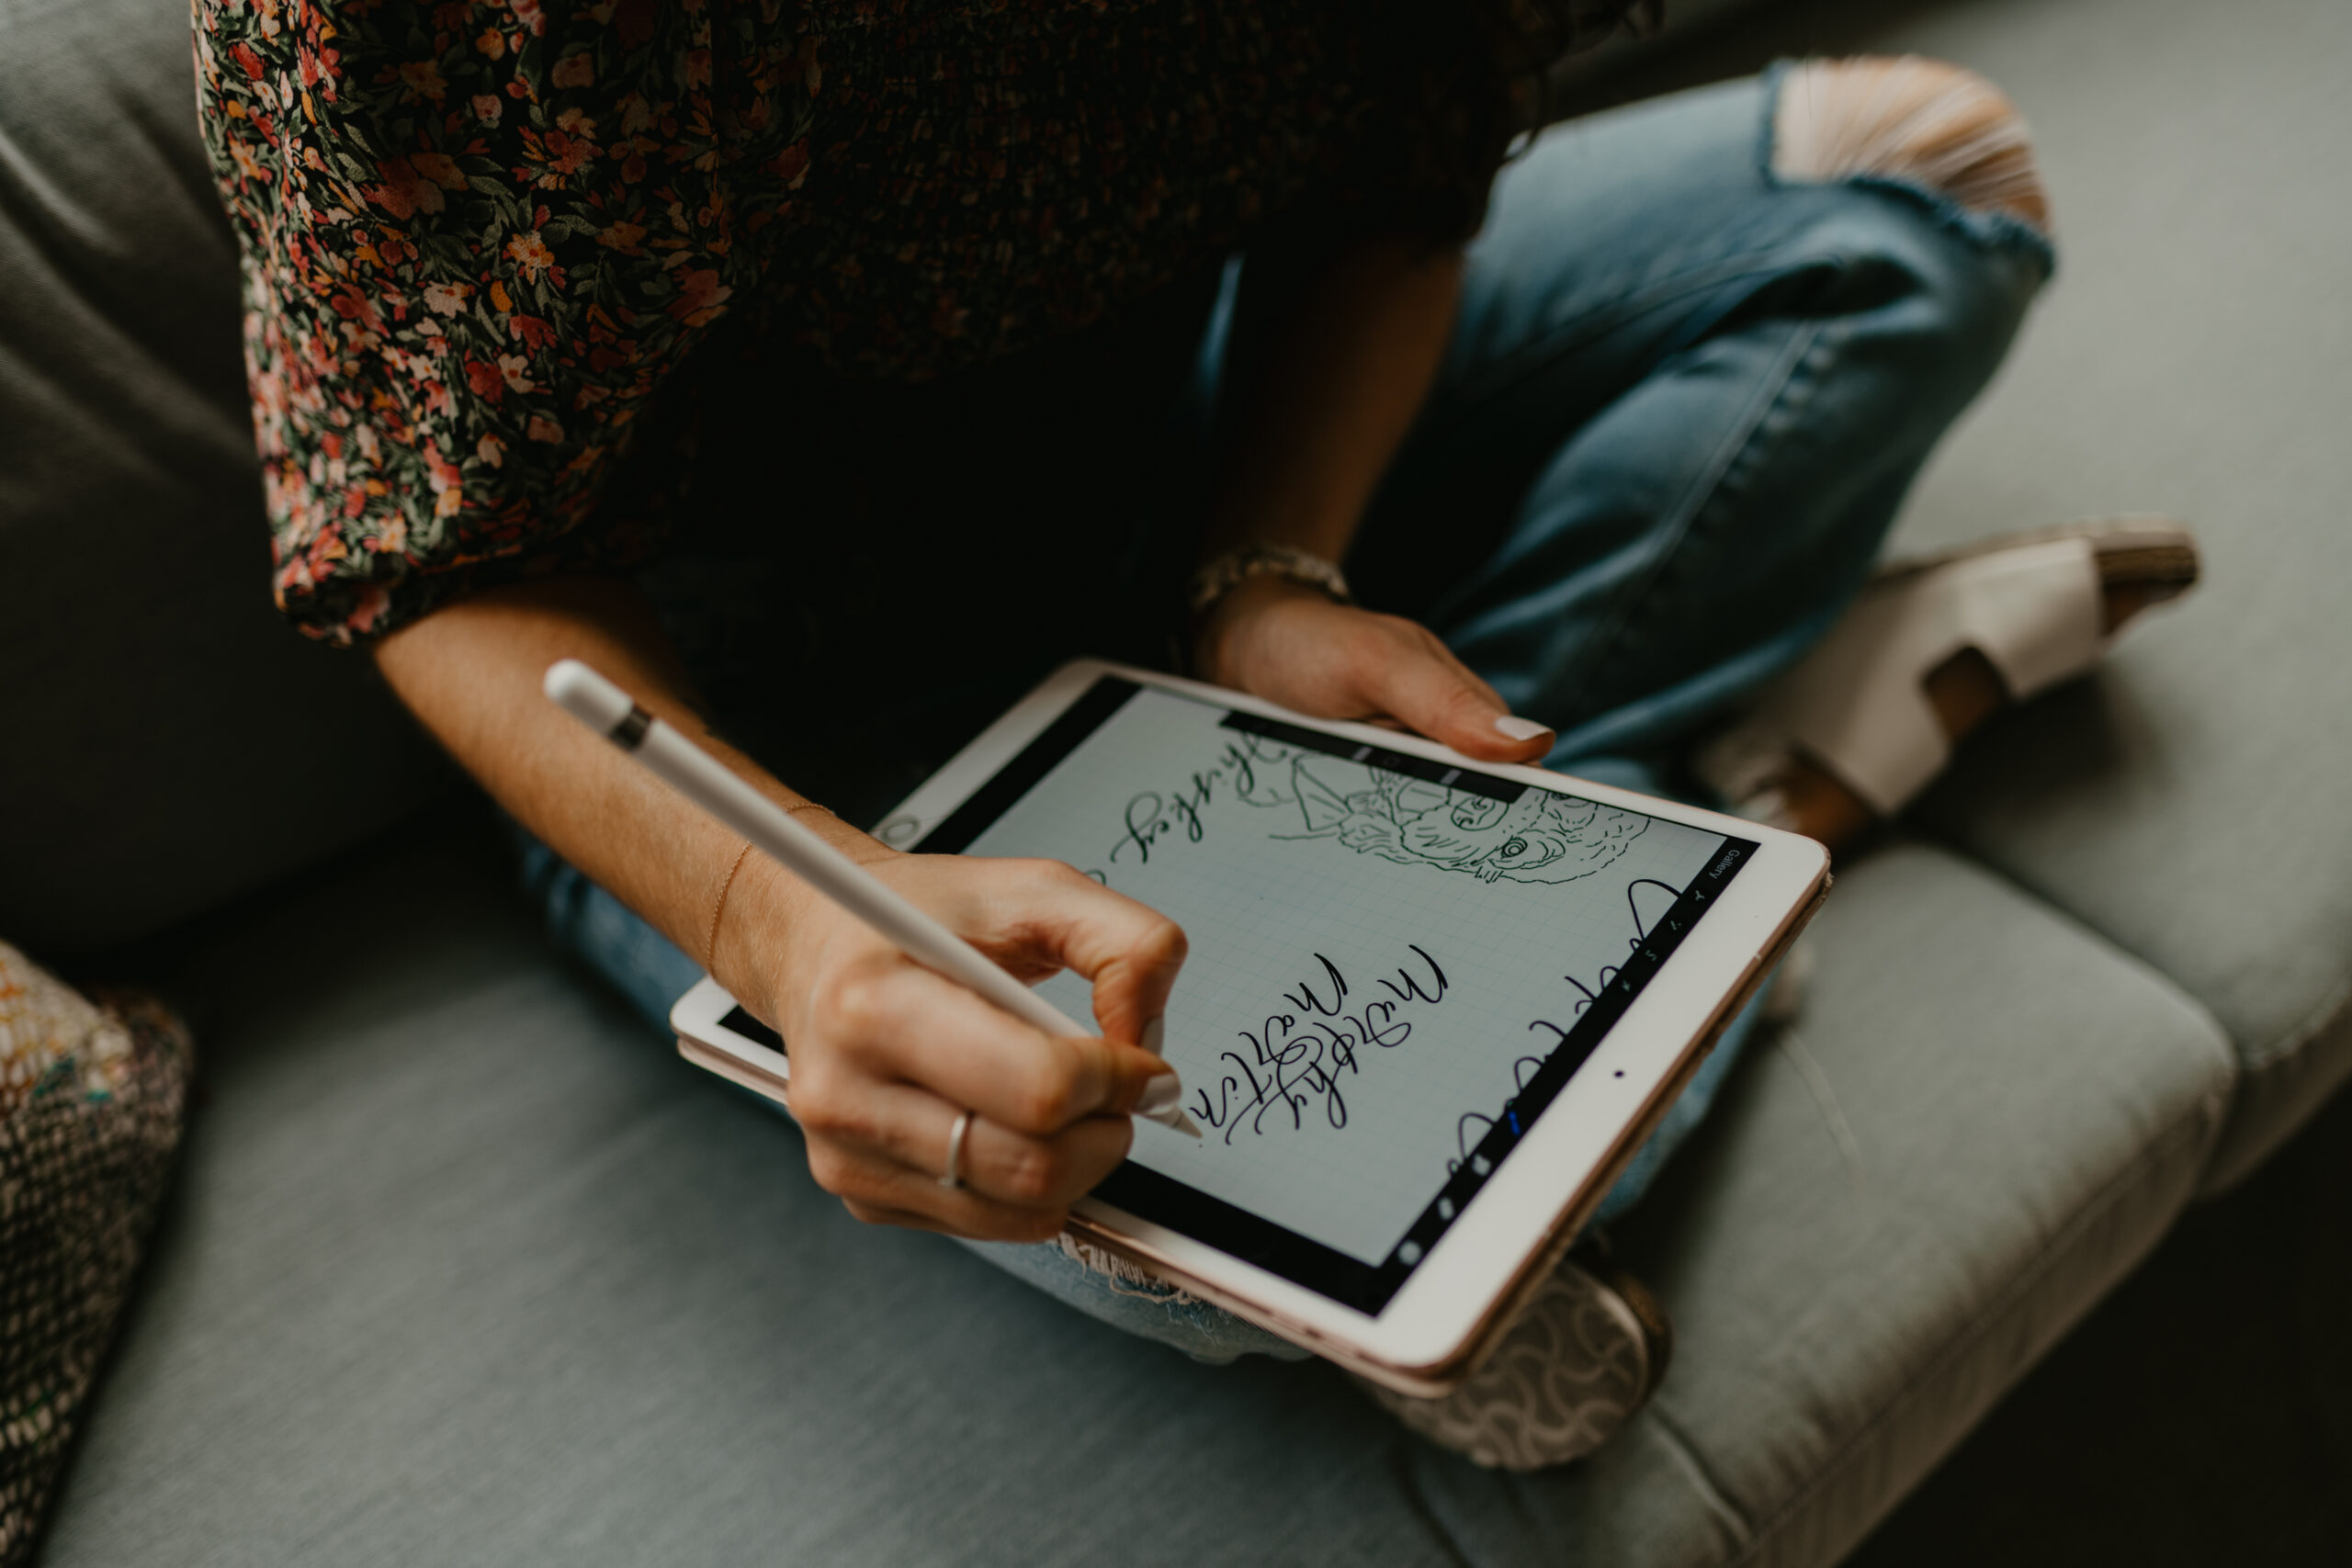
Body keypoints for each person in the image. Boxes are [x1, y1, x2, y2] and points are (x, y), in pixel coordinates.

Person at [197, 0, 2194, 1469]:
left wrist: (1269, 568)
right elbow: (442, 559)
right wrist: (784, 918)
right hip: (750, 706)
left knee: (1926, 176)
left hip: (1188, 439)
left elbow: (1401, 183)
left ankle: (1639, 838)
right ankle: (1748, 794)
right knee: (1169, 1203)